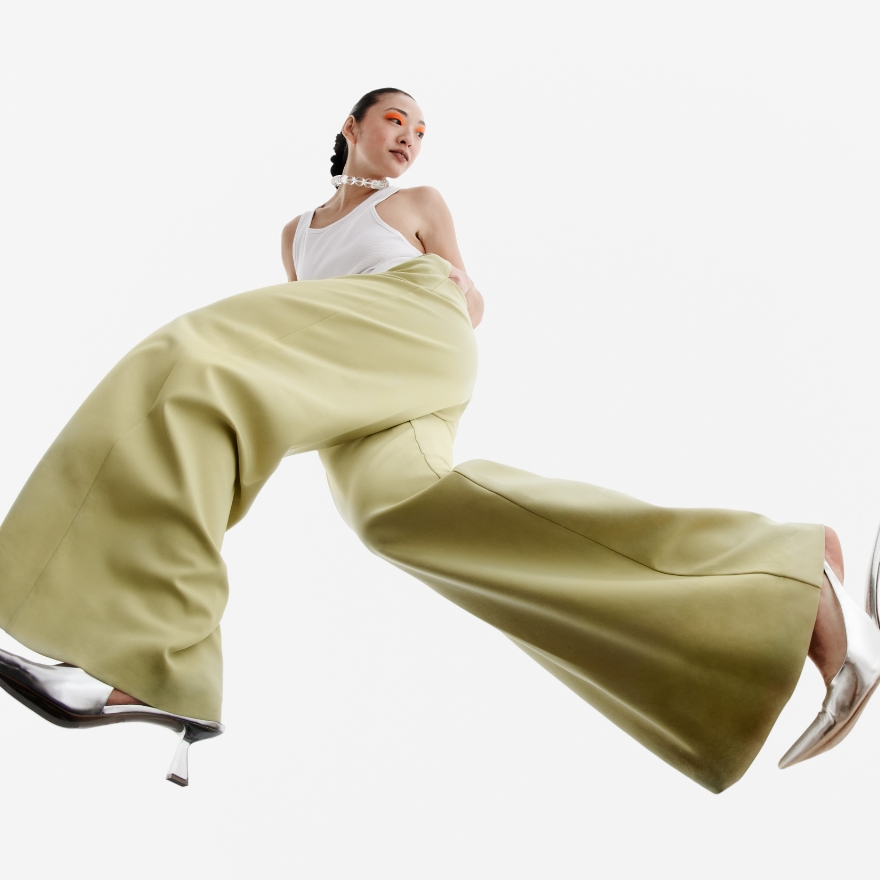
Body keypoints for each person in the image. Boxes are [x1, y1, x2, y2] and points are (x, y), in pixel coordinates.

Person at [1, 87, 878, 793]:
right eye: (394, 120)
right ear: (348, 127)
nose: (410, 137)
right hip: (355, 366)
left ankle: (142, 650)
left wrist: (449, 283)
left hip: (415, 328)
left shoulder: (418, 202)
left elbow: (471, 300)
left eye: (420, 129)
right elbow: (306, 332)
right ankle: (785, 580)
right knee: (396, 513)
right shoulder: (295, 236)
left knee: (190, 356)